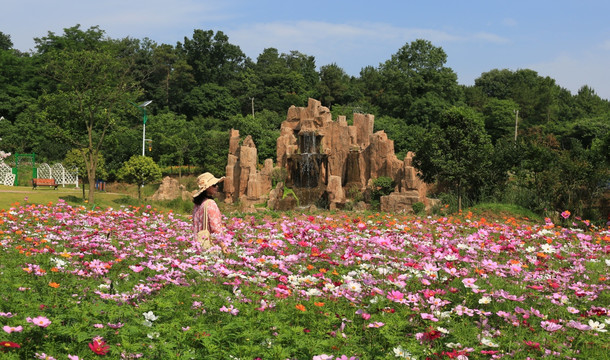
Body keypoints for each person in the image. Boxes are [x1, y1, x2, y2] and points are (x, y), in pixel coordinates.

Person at [192, 172, 227, 252]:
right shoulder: (210, 203)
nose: (217, 187)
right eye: (214, 185)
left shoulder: (197, 205)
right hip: (210, 246)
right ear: (207, 188)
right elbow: (215, 228)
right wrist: (223, 245)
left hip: (197, 245)